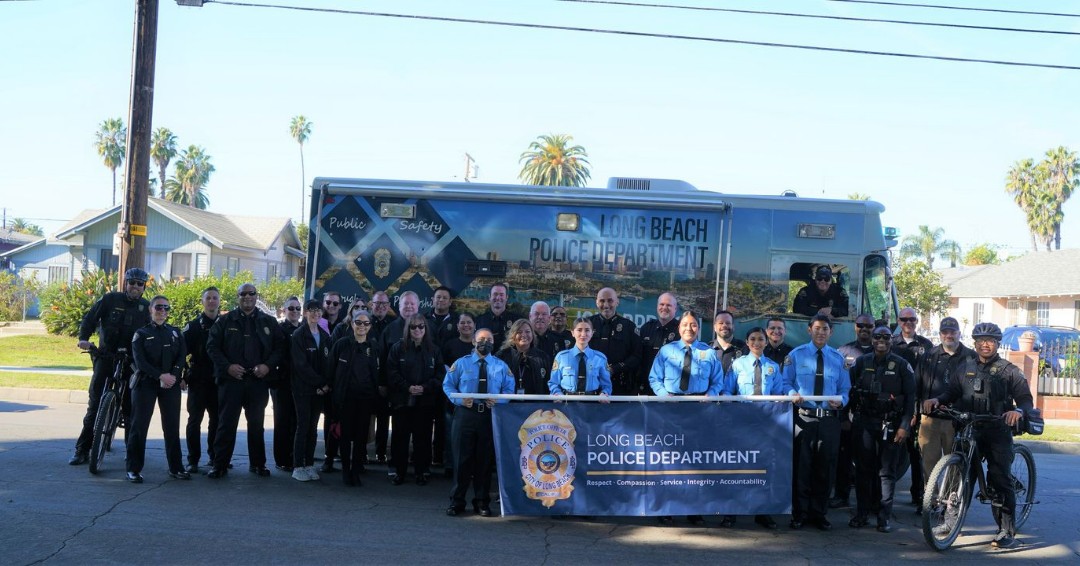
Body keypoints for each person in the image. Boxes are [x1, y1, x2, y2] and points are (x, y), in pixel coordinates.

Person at [922, 322, 1033, 550]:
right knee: (959, 475)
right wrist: (938, 400)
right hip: (969, 427)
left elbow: (1025, 399)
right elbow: (951, 392)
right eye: (981, 340)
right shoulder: (965, 368)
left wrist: (1017, 411)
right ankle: (950, 522)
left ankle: (1006, 529)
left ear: (997, 344)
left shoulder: (1009, 370)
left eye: (990, 341)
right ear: (975, 343)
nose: (985, 344)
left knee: (998, 478)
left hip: (996, 430)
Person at [70, 267, 152, 466]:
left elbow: (151, 335)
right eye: (131, 282)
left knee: (130, 409)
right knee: (95, 405)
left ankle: (131, 452)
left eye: (139, 284)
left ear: (144, 287)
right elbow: (90, 319)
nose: (135, 286)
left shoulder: (146, 307)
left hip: (131, 362)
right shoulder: (110, 299)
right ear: (126, 283)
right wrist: (83, 339)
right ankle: (82, 450)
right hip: (106, 357)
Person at [647, 311, 722, 526]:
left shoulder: (709, 353)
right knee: (669, 461)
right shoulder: (666, 351)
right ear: (679, 328)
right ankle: (667, 507)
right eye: (685, 325)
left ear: (699, 328)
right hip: (672, 409)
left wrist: (711, 395)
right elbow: (654, 378)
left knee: (696, 462)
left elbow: (718, 382)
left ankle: (694, 509)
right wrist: (664, 396)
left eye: (694, 325)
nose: (689, 328)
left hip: (698, 410)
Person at [205, 282, 287, 479]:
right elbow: (212, 347)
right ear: (238, 296)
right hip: (231, 381)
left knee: (257, 425)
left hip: (257, 382)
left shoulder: (268, 321)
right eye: (243, 294)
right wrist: (227, 367)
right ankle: (220, 465)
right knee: (226, 424)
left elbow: (280, 348)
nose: (247, 297)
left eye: (251, 293)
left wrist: (267, 366)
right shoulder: (225, 321)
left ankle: (258, 464)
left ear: (256, 296)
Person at [783, 314, 850, 530]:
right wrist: (793, 392)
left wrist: (841, 401)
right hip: (804, 418)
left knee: (825, 468)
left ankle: (819, 513)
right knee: (802, 468)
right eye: (817, 328)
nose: (821, 332)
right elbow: (785, 382)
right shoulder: (795, 355)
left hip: (829, 422)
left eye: (825, 329)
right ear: (809, 330)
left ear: (831, 332)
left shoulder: (838, 359)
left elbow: (845, 389)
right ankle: (800, 514)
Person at [847, 325, 915, 534]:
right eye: (877, 337)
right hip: (865, 423)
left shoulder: (902, 365)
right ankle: (862, 514)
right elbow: (850, 392)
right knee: (863, 471)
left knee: (886, 473)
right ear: (873, 340)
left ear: (892, 340)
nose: (881, 340)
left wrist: (905, 426)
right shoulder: (862, 362)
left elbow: (910, 399)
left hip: (891, 425)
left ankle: (884, 517)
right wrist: (847, 419)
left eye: (886, 337)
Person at [443, 328, 515, 517]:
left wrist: (499, 400)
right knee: (461, 460)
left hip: (489, 417)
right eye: (481, 339)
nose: (485, 342)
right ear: (474, 342)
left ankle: (482, 502)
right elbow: (448, 384)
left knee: (484, 462)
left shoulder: (501, 366)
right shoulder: (461, 363)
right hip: (466, 414)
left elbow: (509, 388)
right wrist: (459, 399)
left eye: (489, 339)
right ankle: (457, 501)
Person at [720, 326, 785, 530]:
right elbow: (727, 391)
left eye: (760, 339)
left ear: (766, 342)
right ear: (747, 343)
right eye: (752, 339)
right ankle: (731, 513)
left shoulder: (773, 367)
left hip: (765, 424)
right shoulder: (737, 365)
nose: (757, 342)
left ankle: (762, 512)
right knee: (737, 468)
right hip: (741, 423)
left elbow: (778, 395)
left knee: (764, 468)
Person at [127, 295, 188, 483]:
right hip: (146, 384)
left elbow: (181, 356)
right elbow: (140, 361)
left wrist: (173, 376)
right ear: (151, 310)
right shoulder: (141, 333)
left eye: (166, 308)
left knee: (171, 427)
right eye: (159, 307)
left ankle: (176, 467)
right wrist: (160, 375)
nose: (162, 311)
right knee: (139, 427)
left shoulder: (175, 332)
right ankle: (133, 469)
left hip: (170, 385)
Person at [386, 313, 445, 485]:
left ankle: (421, 472)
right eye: (413, 327)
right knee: (400, 439)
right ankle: (399, 472)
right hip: (402, 401)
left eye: (421, 326)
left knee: (423, 439)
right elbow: (391, 372)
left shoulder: (434, 350)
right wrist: (407, 387)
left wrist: (425, 388)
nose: (417, 329)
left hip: (425, 402)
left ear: (425, 328)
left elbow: (441, 375)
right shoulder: (398, 348)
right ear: (408, 329)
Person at [917, 317, 974, 489]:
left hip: (957, 421)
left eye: (952, 332)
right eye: (945, 332)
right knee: (929, 464)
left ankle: (951, 503)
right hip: (931, 420)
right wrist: (915, 412)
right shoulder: (929, 356)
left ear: (959, 333)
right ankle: (931, 502)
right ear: (940, 334)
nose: (949, 335)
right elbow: (917, 384)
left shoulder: (971, 357)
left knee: (956, 464)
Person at [328, 309, 380, 487]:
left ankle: (356, 471)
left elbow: (376, 374)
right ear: (352, 324)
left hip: (365, 399)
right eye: (359, 323)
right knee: (345, 436)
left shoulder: (373, 347)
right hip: (345, 398)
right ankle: (345, 470)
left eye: (366, 323)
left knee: (360, 438)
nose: (362, 327)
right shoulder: (341, 344)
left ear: (370, 327)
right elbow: (330, 370)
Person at [830, 313, 877, 509]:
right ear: (855, 327)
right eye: (860, 325)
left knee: (870, 461)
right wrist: (842, 416)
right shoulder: (843, 351)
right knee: (844, 458)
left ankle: (870, 502)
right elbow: (838, 385)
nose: (864, 328)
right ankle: (842, 496)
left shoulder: (882, 349)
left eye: (869, 325)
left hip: (872, 415)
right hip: (849, 415)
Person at [891, 307, 933, 511]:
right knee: (890, 454)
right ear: (898, 321)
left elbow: (930, 380)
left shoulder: (926, 345)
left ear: (917, 322)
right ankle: (884, 499)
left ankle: (918, 497)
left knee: (917, 454)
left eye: (912, 320)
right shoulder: (889, 343)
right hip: (894, 406)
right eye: (904, 319)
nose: (908, 323)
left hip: (917, 407)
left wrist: (917, 410)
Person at [289, 299, 331, 482]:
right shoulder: (299, 335)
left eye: (318, 310)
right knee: (303, 426)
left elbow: (329, 364)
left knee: (313, 429)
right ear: (305, 313)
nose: (316, 314)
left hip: (320, 391)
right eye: (312, 310)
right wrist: (319, 383)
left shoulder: (325, 335)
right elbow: (301, 365)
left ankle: (309, 463)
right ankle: (298, 466)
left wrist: (325, 384)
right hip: (303, 389)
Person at [180, 285, 220, 474]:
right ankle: (193, 460)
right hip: (198, 380)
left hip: (219, 381)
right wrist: (182, 374)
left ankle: (214, 457)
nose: (212, 301)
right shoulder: (193, 326)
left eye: (215, 298)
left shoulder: (226, 324)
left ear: (219, 301)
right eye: (208, 298)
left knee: (217, 420)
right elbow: (180, 353)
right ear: (203, 302)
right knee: (194, 420)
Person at [588, 287, 641, 396]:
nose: (606, 305)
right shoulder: (588, 325)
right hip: (592, 385)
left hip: (620, 386)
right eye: (602, 301)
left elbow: (637, 356)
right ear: (597, 303)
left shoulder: (629, 326)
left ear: (617, 302)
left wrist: (614, 369)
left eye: (610, 300)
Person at [271, 296, 302, 473]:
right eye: (291, 308)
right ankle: (282, 459)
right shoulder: (279, 330)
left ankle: (294, 456)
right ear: (284, 311)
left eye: (298, 308)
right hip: (281, 382)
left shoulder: (304, 329)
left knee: (296, 421)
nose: (295, 312)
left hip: (299, 384)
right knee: (282, 421)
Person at [549, 316, 612, 397]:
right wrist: (557, 394)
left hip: (592, 403)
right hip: (567, 403)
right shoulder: (561, 357)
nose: (583, 334)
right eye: (579, 330)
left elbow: (606, 385)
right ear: (572, 333)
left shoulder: (600, 358)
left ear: (592, 333)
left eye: (587, 330)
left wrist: (604, 393)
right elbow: (554, 383)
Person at [368, 290, 394, 465]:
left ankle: (380, 452)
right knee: (363, 418)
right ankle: (361, 452)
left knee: (384, 419)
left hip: (384, 379)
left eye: (384, 304)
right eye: (377, 303)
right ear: (371, 304)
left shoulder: (393, 325)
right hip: (365, 379)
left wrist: (384, 382)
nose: (380, 307)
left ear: (389, 306)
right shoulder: (363, 321)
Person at [639, 292, 681, 395]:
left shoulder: (681, 331)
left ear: (675, 309)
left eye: (669, 305)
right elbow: (639, 357)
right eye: (661, 304)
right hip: (646, 388)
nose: (664, 307)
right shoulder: (646, 328)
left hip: (670, 391)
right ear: (657, 306)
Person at [496, 319, 550, 395]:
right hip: (509, 404)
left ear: (532, 334)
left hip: (536, 404)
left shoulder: (542, 357)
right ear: (513, 335)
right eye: (519, 332)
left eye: (527, 332)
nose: (524, 335)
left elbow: (547, 384)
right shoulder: (502, 356)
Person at [475, 282, 521, 348]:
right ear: (489, 297)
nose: (498, 297)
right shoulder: (479, 320)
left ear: (506, 297)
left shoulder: (516, 320)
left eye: (501, 295)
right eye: (495, 294)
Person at [712, 310, 748, 376]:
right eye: (721, 323)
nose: (724, 325)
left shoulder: (745, 349)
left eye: (728, 323)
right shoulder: (707, 349)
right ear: (714, 327)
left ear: (733, 326)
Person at [529, 301, 563, 365]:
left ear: (549, 318)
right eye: (536, 314)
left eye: (544, 314)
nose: (540, 317)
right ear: (530, 316)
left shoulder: (558, 339)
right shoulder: (524, 338)